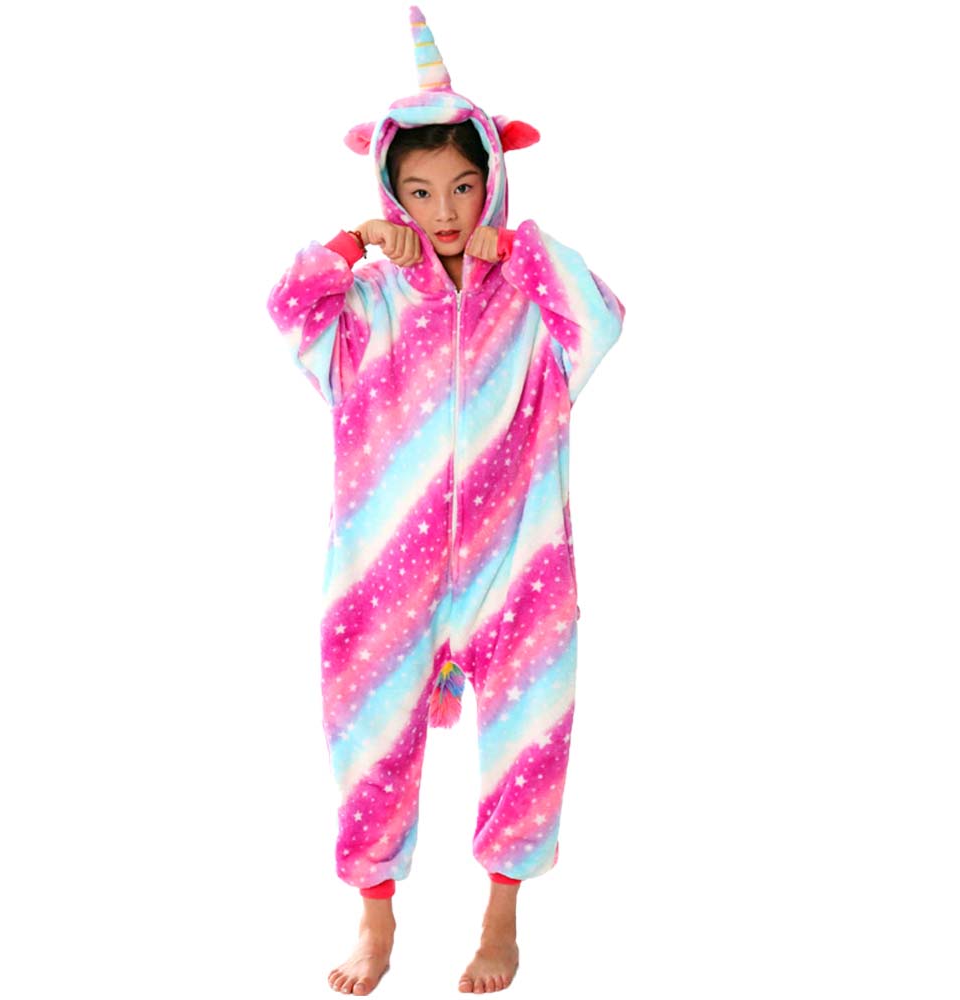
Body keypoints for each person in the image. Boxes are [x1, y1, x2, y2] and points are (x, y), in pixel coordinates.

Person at [266, 6, 625, 995]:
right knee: (367, 740)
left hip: (519, 560)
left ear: (493, 179)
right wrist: (351, 243)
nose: (445, 209)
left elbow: (603, 319)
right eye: (419, 191)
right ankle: (375, 921)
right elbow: (288, 307)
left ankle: (501, 921)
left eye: (464, 186)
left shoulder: (532, 305)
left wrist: (524, 249)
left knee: (531, 734)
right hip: (385, 569)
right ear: (392, 192)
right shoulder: (373, 304)